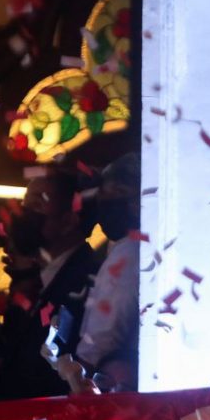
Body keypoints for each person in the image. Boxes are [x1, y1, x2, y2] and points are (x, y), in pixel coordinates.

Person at [0, 168, 99, 400]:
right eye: (25, 204)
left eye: (37, 205)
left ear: (68, 220)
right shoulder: (35, 277)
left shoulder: (85, 279)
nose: (23, 214)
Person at [77, 153, 141, 391]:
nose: (106, 202)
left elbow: (102, 337)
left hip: (109, 384)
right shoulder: (130, 249)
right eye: (103, 194)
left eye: (118, 193)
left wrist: (79, 373)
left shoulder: (130, 252)